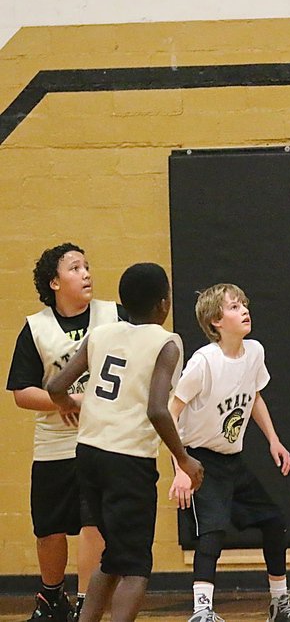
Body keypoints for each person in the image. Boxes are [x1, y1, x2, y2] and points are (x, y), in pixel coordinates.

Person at [46, 262, 204, 622]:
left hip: (88, 454)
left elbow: (56, 387)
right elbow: (158, 411)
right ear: (164, 304)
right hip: (128, 460)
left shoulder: (101, 334)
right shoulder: (166, 343)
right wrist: (184, 459)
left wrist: (69, 406)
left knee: (115, 556)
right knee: (135, 566)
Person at [167, 283, 290, 622]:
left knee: (274, 522)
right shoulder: (204, 362)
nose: (244, 310)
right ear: (216, 320)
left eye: (244, 303)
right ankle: (202, 612)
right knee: (211, 532)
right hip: (200, 459)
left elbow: (254, 396)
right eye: (234, 306)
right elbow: (170, 413)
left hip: (232, 460)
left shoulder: (255, 352)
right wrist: (181, 468)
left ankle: (279, 604)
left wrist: (273, 439)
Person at [6, 243, 120, 622]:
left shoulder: (114, 317)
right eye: (75, 268)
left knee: (93, 522)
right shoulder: (35, 327)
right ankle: (52, 597)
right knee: (50, 529)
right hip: (54, 444)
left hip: (102, 441)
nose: (86, 273)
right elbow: (22, 392)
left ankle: (88, 605)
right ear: (54, 282)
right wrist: (66, 400)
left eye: (87, 266)